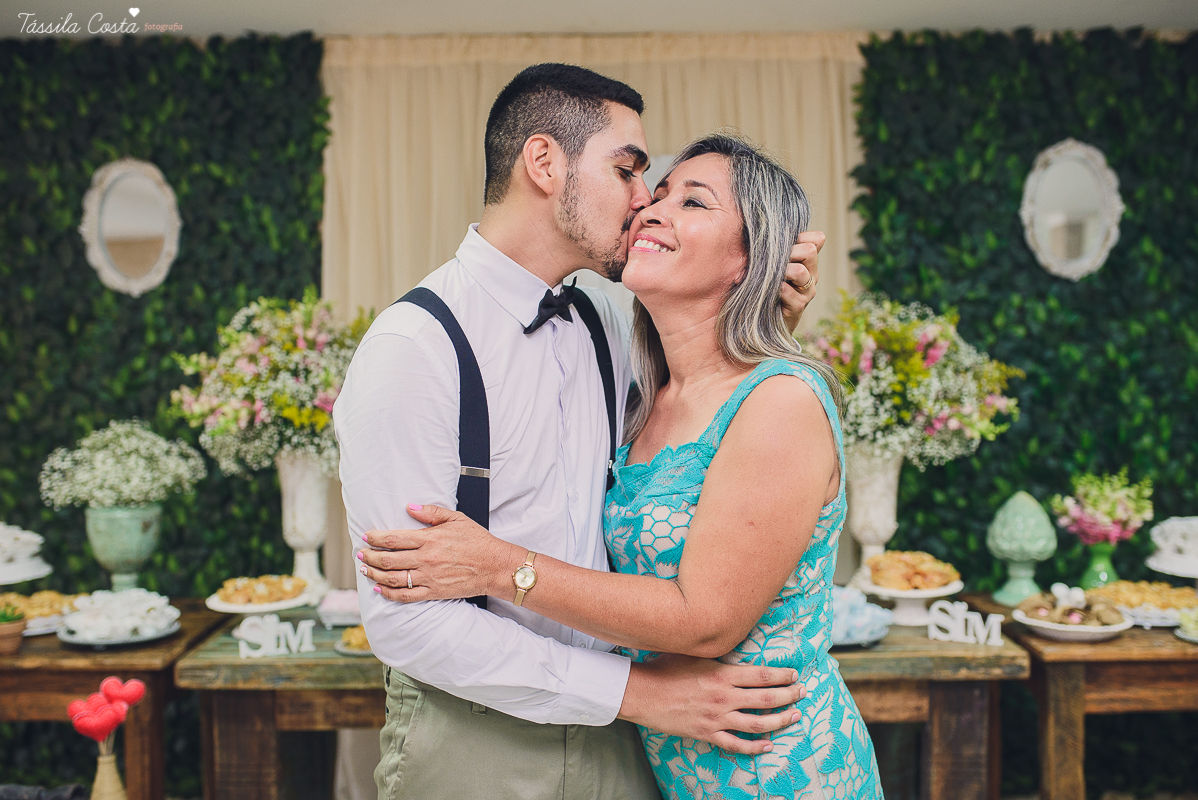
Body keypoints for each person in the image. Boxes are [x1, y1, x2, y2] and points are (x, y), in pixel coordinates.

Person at [334, 65, 825, 799]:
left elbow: (708, 436)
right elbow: (408, 625)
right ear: (544, 162)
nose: (643, 201)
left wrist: (755, 304)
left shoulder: (605, 325)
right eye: (629, 171)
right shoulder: (413, 346)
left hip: (634, 744)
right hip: (478, 741)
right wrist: (634, 693)